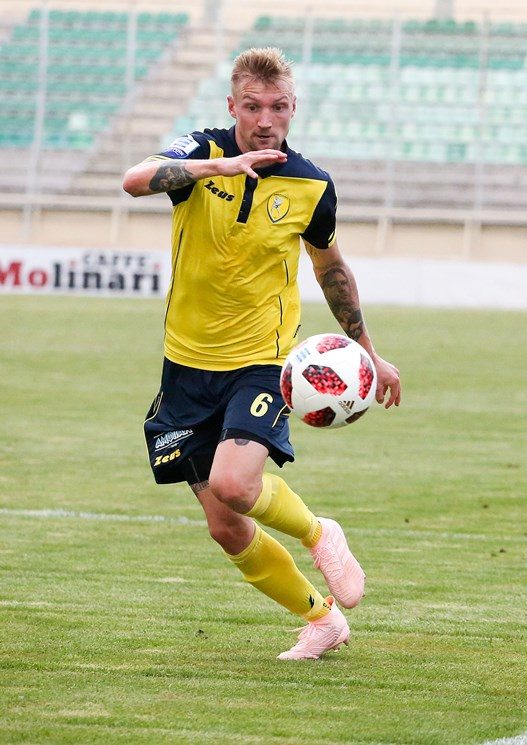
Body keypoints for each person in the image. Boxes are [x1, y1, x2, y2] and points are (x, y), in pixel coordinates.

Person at [122, 47, 402, 659]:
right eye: (253, 107)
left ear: (294, 108)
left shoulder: (312, 184)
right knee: (225, 526)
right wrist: (216, 169)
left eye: (278, 107)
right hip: (185, 365)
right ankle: (321, 620)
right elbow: (136, 180)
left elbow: (331, 269)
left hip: (262, 361)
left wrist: (368, 351)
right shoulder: (200, 152)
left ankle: (320, 533)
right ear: (233, 106)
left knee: (234, 483)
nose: (265, 120)